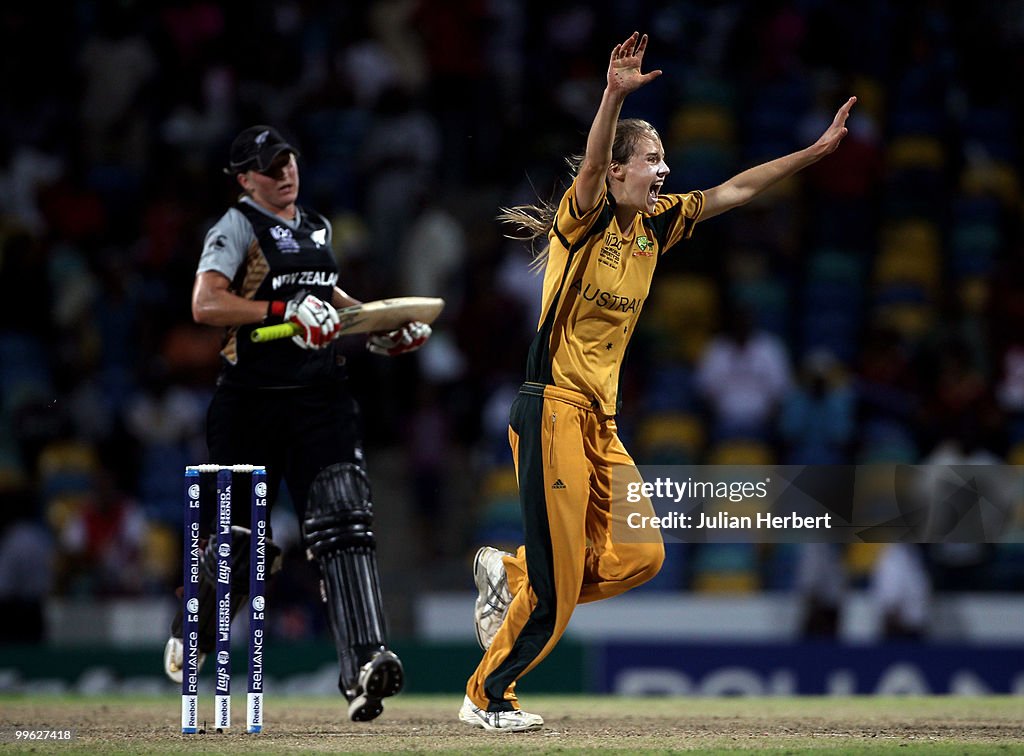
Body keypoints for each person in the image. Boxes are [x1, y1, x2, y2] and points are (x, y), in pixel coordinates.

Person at [460, 32, 855, 731]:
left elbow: (736, 188)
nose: (665, 170)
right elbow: (586, 168)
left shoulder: (655, 227)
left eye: (666, 158)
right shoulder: (582, 222)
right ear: (616, 173)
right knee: (560, 587)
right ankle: (488, 696)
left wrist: (814, 154)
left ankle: (513, 576)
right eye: (651, 160)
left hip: (600, 424)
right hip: (551, 408)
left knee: (642, 554)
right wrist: (613, 95)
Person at [162, 125, 431, 722]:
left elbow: (328, 298)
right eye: (271, 165)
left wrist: (384, 324)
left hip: (319, 397)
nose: (286, 172)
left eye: (290, 161)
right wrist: (281, 310)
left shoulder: (315, 226)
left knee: (345, 519)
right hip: (250, 402)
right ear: (244, 179)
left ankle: (364, 667)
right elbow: (205, 305)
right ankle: (196, 627)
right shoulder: (235, 227)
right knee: (236, 545)